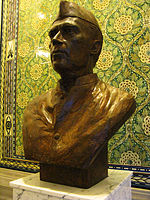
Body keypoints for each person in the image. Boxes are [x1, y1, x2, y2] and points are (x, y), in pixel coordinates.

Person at [23, 1, 135, 178]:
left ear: (94, 47)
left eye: (69, 31)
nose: (55, 40)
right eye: (53, 34)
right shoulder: (34, 107)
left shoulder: (117, 102)